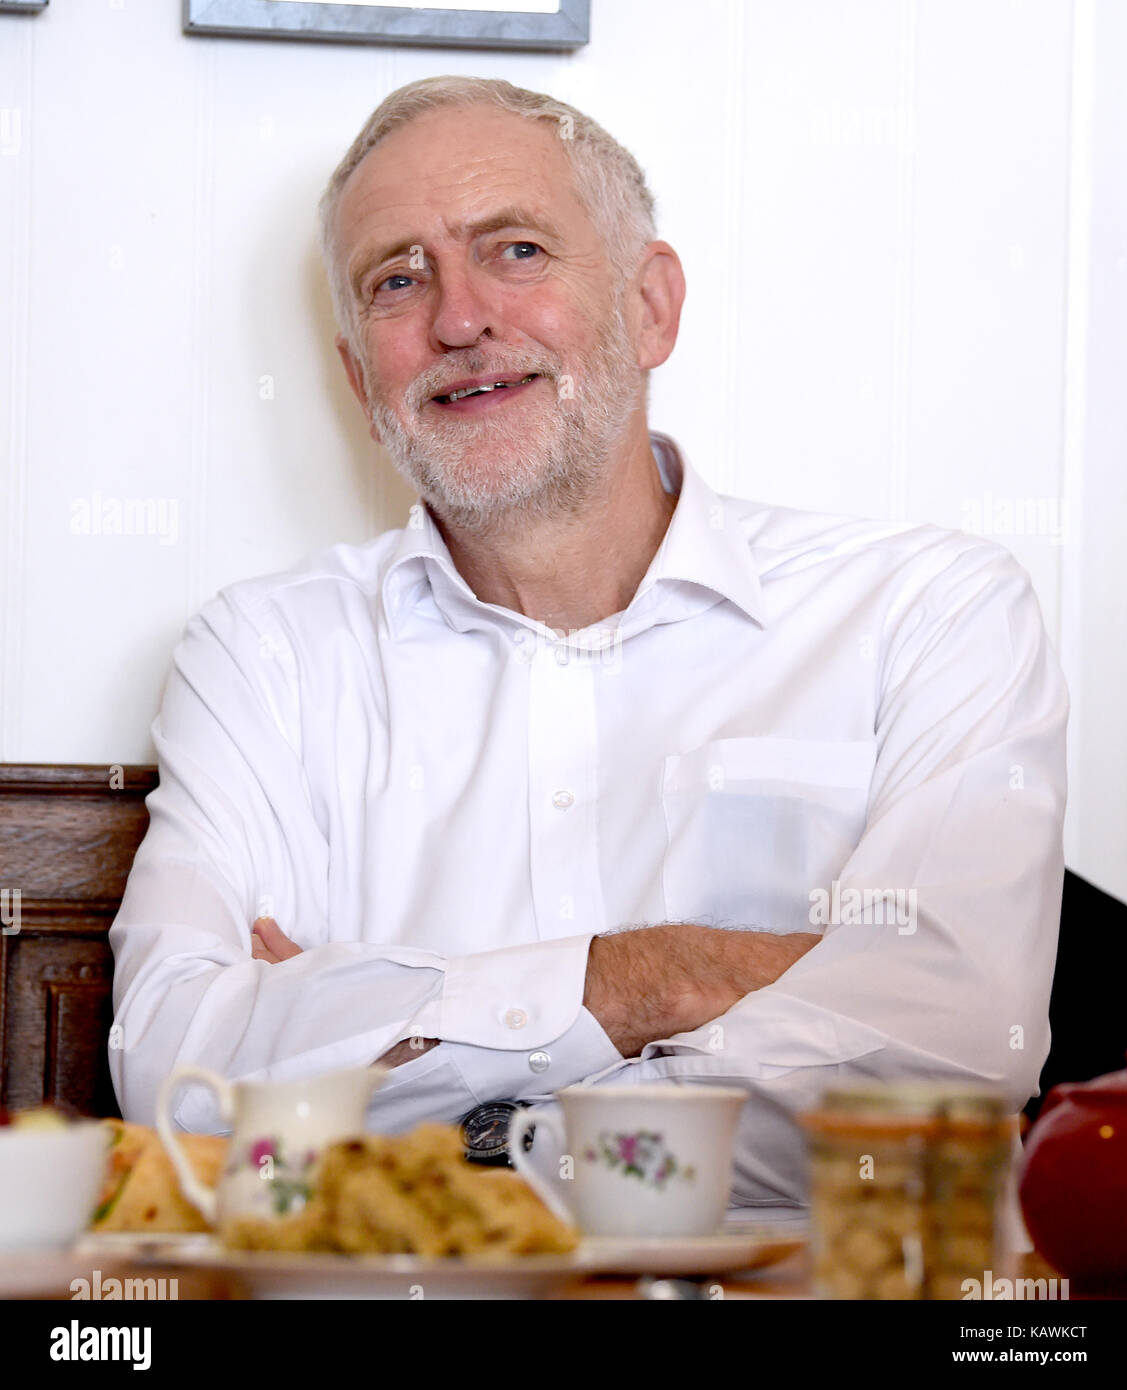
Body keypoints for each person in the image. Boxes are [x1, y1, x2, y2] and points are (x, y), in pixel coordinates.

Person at [109, 76, 1067, 1209]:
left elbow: (940, 1063)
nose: (460, 319)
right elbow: (178, 1066)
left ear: (652, 306)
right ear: (362, 380)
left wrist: (395, 1085)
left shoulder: (929, 611)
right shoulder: (263, 655)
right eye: (398, 278)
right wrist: (663, 974)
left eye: (516, 251)